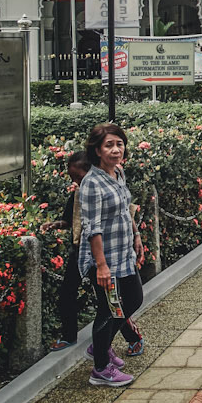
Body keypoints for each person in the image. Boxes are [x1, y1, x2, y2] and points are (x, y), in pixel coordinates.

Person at [78, 121, 146, 386]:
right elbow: (91, 228)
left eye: (119, 144)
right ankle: (100, 370)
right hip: (104, 258)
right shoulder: (91, 183)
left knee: (133, 299)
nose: (116, 150)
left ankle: (100, 345)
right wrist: (101, 266)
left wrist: (136, 235)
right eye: (109, 145)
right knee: (109, 310)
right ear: (97, 150)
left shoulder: (118, 172)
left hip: (123, 252)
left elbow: (125, 209)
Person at [53, 150, 90, 348]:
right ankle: (69, 335)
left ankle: (133, 337)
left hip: (99, 253)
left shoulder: (100, 192)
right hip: (79, 251)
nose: (75, 181)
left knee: (109, 299)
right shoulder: (77, 194)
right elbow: (69, 220)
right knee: (67, 293)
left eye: (78, 176)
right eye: (72, 177)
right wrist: (56, 225)